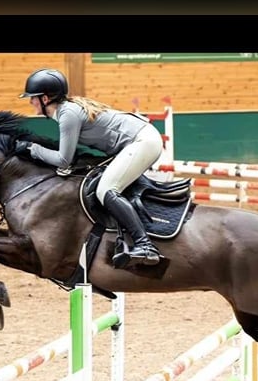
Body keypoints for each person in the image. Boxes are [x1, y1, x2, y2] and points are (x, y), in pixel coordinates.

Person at [14, 68, 163, 268]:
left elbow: (63, 159)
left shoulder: (67, 115)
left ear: (46, 98)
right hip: (137, 140)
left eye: (32, 98)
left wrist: (32, 149)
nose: (30, 102)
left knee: (106, 190)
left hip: (142, 142)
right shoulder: (66, 110)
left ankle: (145, 245)